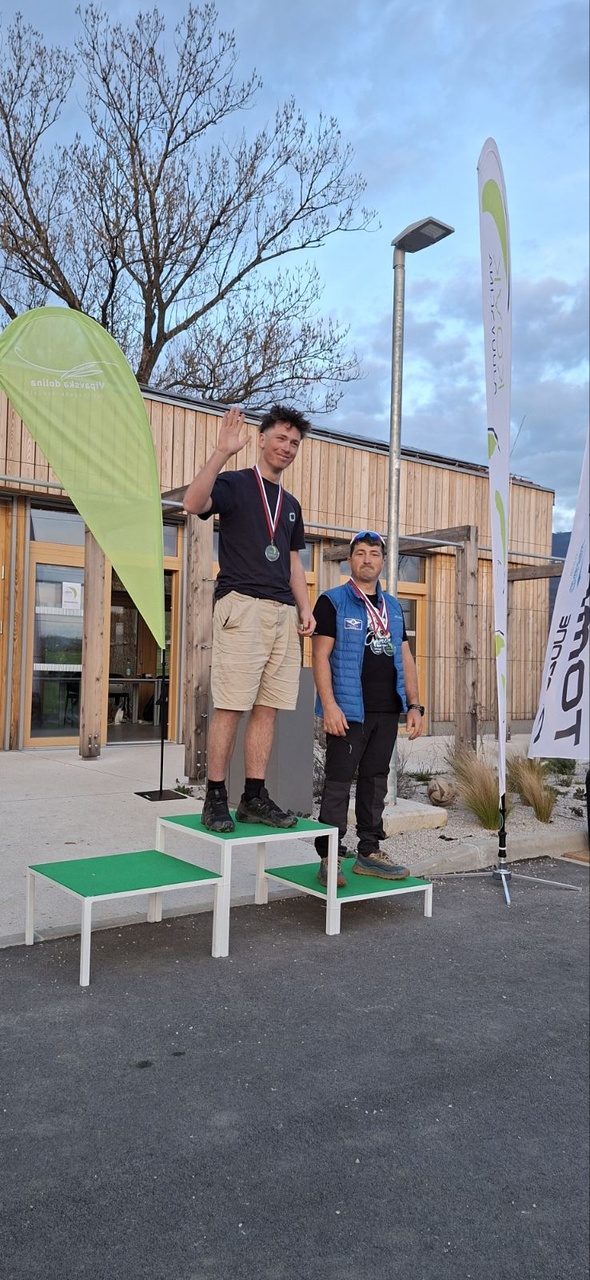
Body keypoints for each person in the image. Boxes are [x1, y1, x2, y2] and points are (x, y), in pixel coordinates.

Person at [183, 404, 316, 832]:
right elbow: (192, 503)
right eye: (280, 438)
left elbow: (292, 563)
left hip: (282, 613)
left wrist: (305, 607)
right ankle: (215, 797)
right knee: (231, 706)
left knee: (268, 707)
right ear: (262, 439)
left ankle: (254, 796)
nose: (287, 447)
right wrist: (222, 451)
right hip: (242, 606)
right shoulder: (237, 483)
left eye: (294, 442)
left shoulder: (291, 505)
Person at [312, 530, 424, 885]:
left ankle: (369, 852)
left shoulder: (393, 607)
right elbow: (319, 656)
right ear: (350, 560)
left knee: (375, 782)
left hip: (386, 710)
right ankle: (330, 857)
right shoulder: (332, 602)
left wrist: (415, 705)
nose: (367, 560)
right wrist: (329, 706)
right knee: (338, 783)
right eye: (360, 553)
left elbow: (405, 656)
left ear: (383, 561)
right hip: (348, 711)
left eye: (374, 554)